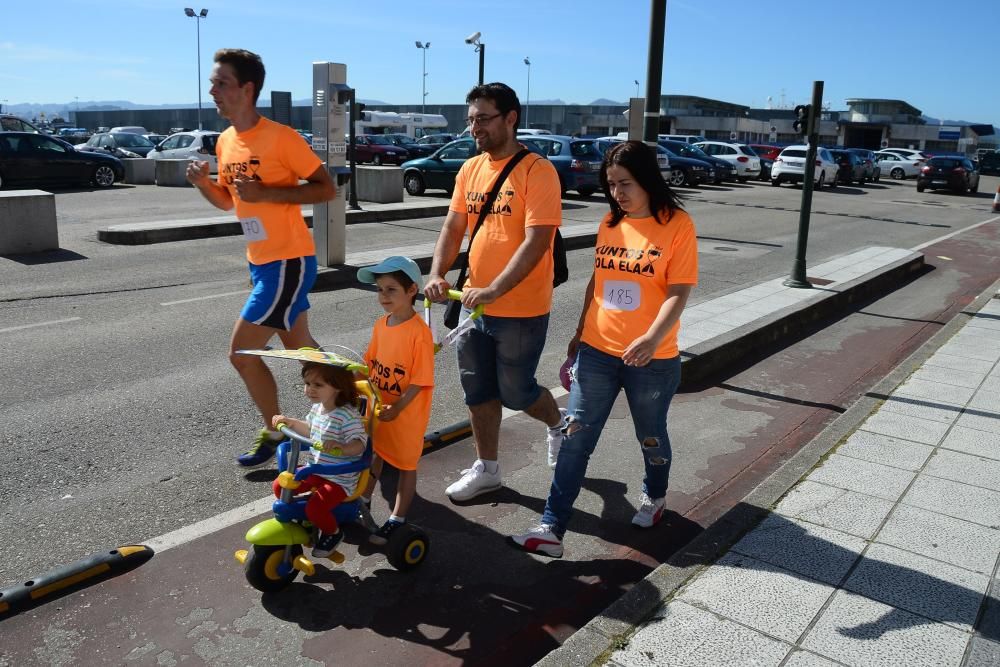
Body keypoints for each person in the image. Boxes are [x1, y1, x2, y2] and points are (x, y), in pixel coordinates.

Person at [510, 140, 698, 558]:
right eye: (611, 184)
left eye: (625, 184)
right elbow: (599, 283)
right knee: (575, 438)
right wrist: (579, 334)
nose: (617, 193)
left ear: (649, 180)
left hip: (651, 359)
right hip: (597, 351)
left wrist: (651, 338)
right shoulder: (610, 223)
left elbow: (678, 290)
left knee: (650, 435)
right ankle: (551, 527)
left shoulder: (677, 224)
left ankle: (655, 494)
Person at [185, 48, 337, 468]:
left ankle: (274, 431)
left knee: (241, 353)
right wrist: (203, 183)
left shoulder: (282, 138)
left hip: (288, 260)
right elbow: (229, 202)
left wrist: (267, 192)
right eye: (213, 83)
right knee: (301, 348)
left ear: (247, 89)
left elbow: (326, 189)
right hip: (261, 260)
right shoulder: (226, 141)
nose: (212, 90)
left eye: (221, 83)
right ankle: (349, 406)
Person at [423, 82, 567, 502]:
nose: (474, 129)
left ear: (510, 118)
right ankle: (487, 469)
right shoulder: (470, 169)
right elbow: (453, 228)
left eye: (483, 119)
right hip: (471, 306)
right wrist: (437, 274)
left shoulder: (537, 171)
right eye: (470, 120)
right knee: (478, 391)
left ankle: (558, 423)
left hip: (519, 308)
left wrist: (494, 289)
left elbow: (537, 240)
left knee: (517, 392)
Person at [356, 256, 435, 544]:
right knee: (375, 453)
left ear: (412, 290)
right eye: (379, 290)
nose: (383, 296)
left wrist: (399, 406)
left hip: (406, 412)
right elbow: (369, 362)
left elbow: (420, 380)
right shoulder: (381, 324)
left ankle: (398, 517)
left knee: (404, 464)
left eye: (391, 289)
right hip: (379, 407)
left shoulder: (419, 334)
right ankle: (363, 500)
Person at [271, 362, 367, 558]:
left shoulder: (347, 416)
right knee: (280, 487)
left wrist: (343, 447)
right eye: (307, 383)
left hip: (339, 478)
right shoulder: (318, 408)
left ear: (338, 386)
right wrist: (291, 422)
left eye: (318, 385)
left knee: (315, 507)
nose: (310, 389)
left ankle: (333, 533)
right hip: (316, 470)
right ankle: (307, 522)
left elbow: (360, 445)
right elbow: (311, 429)